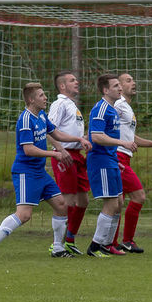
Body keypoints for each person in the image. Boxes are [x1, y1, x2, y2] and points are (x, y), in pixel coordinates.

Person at [0, 82, 90, 260]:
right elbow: (28, 150)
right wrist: (54, 154)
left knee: (61, 205)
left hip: (39, 172)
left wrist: (77, 139)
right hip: (26, 172)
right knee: (24, 215)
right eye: (41, 95)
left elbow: (57, 134)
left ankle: (58, 248)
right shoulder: (25, 119)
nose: (45, 98)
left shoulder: (42, 116)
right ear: (31, 99)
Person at [108, 73, 152, 253]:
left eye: (133, 80)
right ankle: (122, 241)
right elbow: (104, 124)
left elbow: (129, 136)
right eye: (128, 81)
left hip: (124, 156)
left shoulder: (126, 107)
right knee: (137, 196)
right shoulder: (118, 105)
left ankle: (114, 242)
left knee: (118, 201)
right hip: (117, 156)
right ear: (119, 87)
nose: (133, 83)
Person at [85, 74, 138, 258]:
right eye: (115, 86)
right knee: (110, 203)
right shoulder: (100, 109)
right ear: (105, 90)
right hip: (100, 161)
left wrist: (116, 159)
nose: (119, 88)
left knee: (119, 203)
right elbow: (96, 136)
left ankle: (107, 244)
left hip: (110, 160)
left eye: (119, 85)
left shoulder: (113, 110)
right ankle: (95, 245)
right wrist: (122, 143)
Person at [47, 71, 90, 255]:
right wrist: (61, 150)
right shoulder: (59, 104)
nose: (77, 82)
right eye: (72, 80)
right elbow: (49, 130)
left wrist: (84, 139)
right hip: (64, 155)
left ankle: (70, 240)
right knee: (67, 200)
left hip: (77, 155)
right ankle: (57, 244)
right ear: (62, 86)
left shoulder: (73, 106)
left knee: (83, 200)